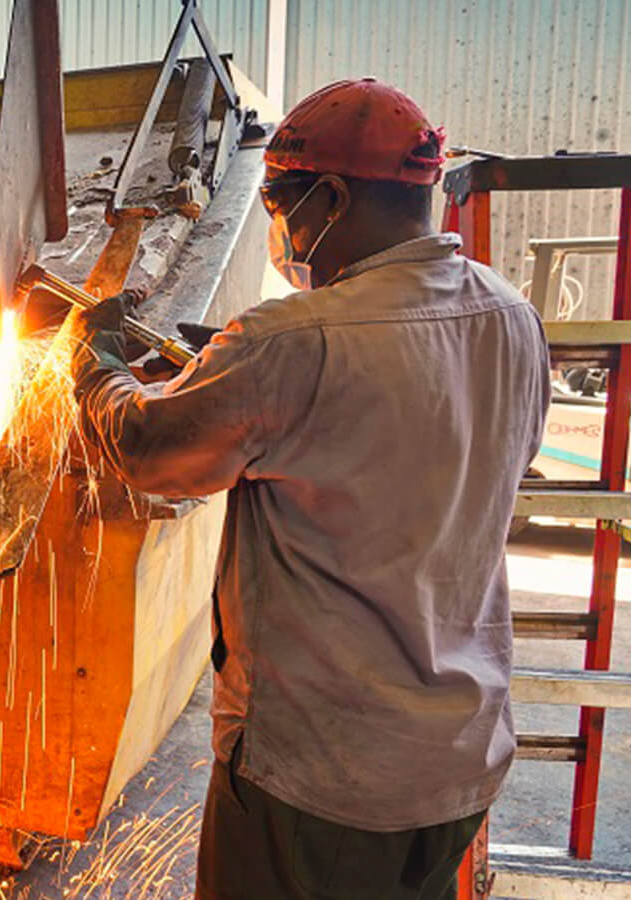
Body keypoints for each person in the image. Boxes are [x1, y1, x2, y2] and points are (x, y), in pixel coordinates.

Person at [70, 78, 551, 900]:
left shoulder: (296, 340)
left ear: (329, 196)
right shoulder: (511, 318)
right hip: (458, 763)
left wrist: (96, 367)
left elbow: (148, 450)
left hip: (324, 781)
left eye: (280, 207)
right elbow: (395, 442)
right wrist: (219, 373)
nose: (280, 235)